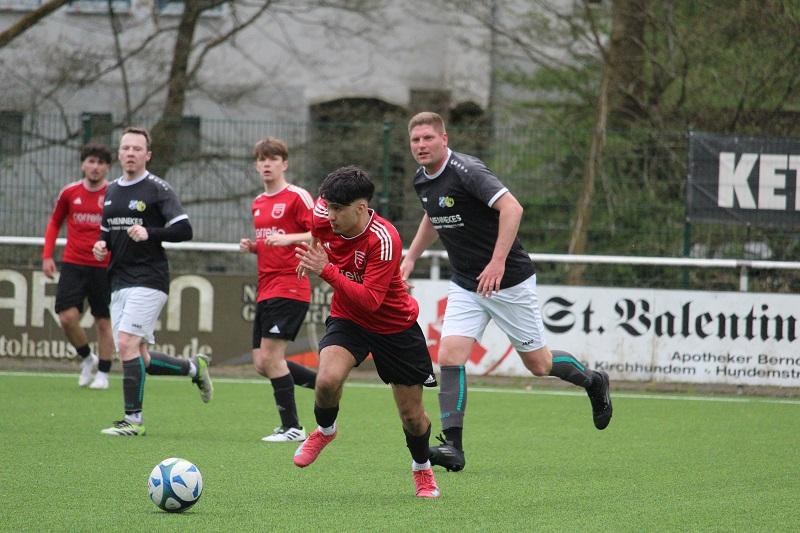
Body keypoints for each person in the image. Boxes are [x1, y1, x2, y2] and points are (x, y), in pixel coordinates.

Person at [401, 112, 612, 472]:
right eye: (415, 140)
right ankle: (453, 447)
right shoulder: (422, 179)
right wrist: (410, 258)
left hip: (508, 280)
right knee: (450, 355)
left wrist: (497, 262)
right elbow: (432, 216)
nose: (421, 145)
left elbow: (512, 208)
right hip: (467, 282)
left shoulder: (467, 171)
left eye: (428, 138)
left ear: (444, 139)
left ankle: (593, 381)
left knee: (539, 364)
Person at [293, 166, 441, 499]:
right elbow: (317, 229)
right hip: (349, 319)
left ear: (361, 208)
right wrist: (314, 253)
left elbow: (372, 301)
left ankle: (422, 468)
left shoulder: (384, 239)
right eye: (328, 206)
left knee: (412, 417)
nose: (330, 215)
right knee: (326, 380)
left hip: (395, 327)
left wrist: (326, 269)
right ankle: (325, 430)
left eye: (338, 209)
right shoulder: (323, 214)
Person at [92, 126, 213, 436]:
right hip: (119, 280)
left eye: (137, 149)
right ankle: (193, 367)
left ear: (148, 155)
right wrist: (101, 245)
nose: (130, 153)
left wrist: (151, 232)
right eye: (126, 148)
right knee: (138, 356)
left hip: (149, 278)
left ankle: (133, 421)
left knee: (126, 343)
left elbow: (185, 230)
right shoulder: (111, 190)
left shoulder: (158, 189)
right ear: (119, 154)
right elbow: (106, 231)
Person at [239, 136, 317, 443]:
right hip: (266, 288)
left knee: (272, 359)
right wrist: (254, 246)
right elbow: (271, 243)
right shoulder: (258, 202)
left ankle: (292, 428)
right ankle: (324, 383)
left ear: (284, 164)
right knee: (262, 363)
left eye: (273, 159)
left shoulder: (297, 197)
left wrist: (289, 238)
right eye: (262, 159)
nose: (266, 164)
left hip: (290, 286)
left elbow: (321, 232)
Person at [42, 144, 116, 389]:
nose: (95, 167)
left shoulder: (114, 194)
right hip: (74, 264)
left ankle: (103, 373)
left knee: (103, 321)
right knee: (67, 318)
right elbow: (55, 223)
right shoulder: (69, 192)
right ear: (83, 164)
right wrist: (47, 256)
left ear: (108, 167)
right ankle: (87, 357)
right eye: (91, 161)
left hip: (104, 266)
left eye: (101, 163)